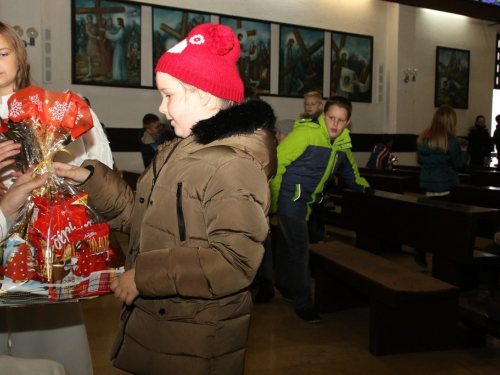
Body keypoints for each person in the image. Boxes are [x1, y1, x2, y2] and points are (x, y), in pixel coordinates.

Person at [52, 23, 277, 375]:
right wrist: (92, 180)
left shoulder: (234, 164)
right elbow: (141, 218)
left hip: (196, 333)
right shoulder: (177, 151)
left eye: (168, 95)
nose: (161, 106)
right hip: (164, 318)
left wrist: (143, 276)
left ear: (203, 95)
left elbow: (234, 262)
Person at [0, 21, 113, 375]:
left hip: (47, 239)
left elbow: (97, 169)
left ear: (20, 54)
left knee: (50, 341)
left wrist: (53, 179)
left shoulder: (56, 107)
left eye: (2, 53)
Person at [270, 96, 370, 323]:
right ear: (323, 116)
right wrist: (275, 201)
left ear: (348, 122)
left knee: (289, 244)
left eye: (341, 120)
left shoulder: (342, 142)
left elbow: (350, 171)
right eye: (332, 118)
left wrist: (362, 187)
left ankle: (284, 284)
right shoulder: (307, 134)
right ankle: (303, 303)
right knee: (300, 248)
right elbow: (277, 161)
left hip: (307, 201)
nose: (335, 124)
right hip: (290, 197)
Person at [254, 119, 295, 304]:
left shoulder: (291, 154)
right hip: (268, 205)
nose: (276, 135)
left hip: (281, 207)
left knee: (272, 245)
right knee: (265, 243)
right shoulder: (275, 150)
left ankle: (270, 284)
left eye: (280, 132)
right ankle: (265, 281)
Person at [417, 105, 469, 201]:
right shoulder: (450, 140)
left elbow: (420, 161)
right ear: (451, 122)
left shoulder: (423, 138)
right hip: (446, 185)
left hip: (428, 184)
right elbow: (458, 165)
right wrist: (464, 153)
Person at [103, 17, 127, 82]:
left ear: (120, 22)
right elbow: (114, 32)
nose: (117, 22)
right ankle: (118, 77)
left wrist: (107, 34)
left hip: (120, 48)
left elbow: (115, 38)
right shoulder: (120, 29)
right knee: (117, 62)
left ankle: (118, 77)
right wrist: (105, 31)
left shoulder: (122, 30)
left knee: (118, 62)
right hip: (118, 47)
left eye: (118, 21)